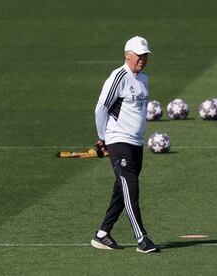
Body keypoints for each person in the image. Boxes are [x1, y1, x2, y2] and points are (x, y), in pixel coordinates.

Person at [91, 36, 160, 253]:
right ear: (127, 55)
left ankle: (102, 234)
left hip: (136, 142)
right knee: (131, 188)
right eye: (139, 56)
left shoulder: (143, 79)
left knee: (122, 190)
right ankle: (142, 239)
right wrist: (103, 138)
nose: (142, 59)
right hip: (118, 140)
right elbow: (101, 108)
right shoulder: (118, 77)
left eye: (145, 56)